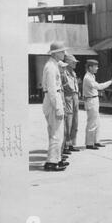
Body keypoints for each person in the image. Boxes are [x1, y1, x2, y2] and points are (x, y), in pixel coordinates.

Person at [42, 41, 69, 171]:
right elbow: (52, 90)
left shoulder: (53, 65)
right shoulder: (51, 67)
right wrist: (58, 108)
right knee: (56, 133)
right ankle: (51, 162)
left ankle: (56, 159)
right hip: (53, 100)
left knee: (56, 132)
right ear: (55, 53)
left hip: (52, 98)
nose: (64, 53)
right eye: (62, 51)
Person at [83, 59, 112, 149]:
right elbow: (99, 87)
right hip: (91, 101)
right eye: (95, 66)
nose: (97, 68)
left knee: (97, 122)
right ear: (90, 67)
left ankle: (96, 141)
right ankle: (89, 143)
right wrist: (111, 81)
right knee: (92, 123)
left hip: (94, 100)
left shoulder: (92, 76)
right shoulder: (87, 78)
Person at [61, 54, 80, 153]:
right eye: (73, 62)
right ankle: (65, 146)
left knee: (75, 121)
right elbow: (65, 87)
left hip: (75, 96)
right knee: (68, 121)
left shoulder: (73, 72)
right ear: (68, 62)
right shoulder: (64, 73)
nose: (75, 64)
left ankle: (72, 143)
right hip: (68, 96)